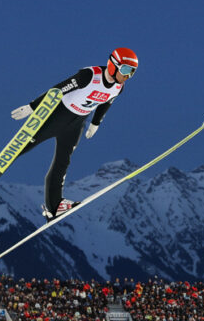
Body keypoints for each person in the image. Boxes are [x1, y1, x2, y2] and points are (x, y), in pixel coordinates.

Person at [10, 47, 138, 221]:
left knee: (62, 162)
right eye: (125, 70)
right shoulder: (89, 76)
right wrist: (33, 106)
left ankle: (54, 207)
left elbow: (106, 103)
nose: (127, 76)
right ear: (113, 65)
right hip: (58, 115)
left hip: (76, 123)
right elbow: (59, 89)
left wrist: (95, 123)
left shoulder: (119, 87)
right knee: (24, 145)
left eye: (132, 72)